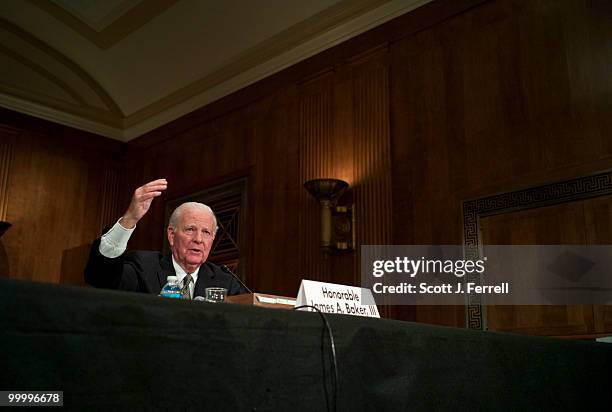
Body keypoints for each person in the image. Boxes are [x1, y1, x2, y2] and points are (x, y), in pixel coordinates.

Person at [85, 178, 244, 298]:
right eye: (190, 229)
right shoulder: (144, 268)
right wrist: (130, 219)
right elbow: (100, 276)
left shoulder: (225, 281)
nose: (198, 239)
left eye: (206, 232)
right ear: (171, 235)